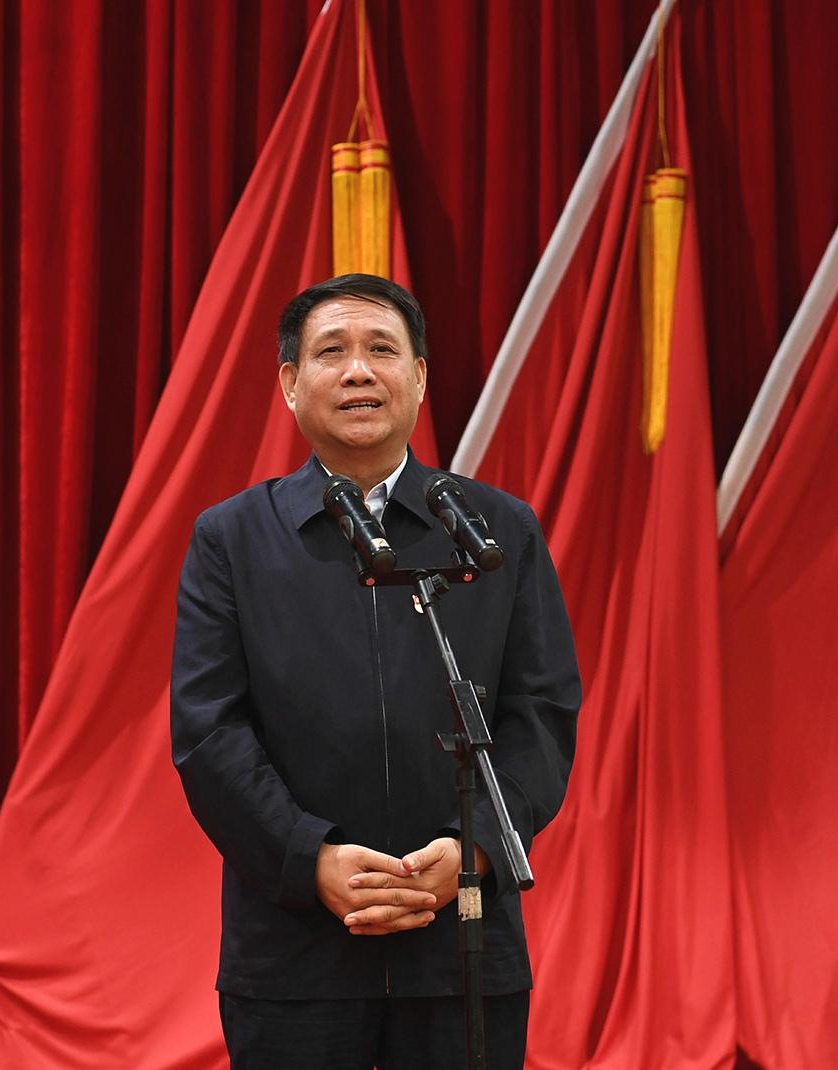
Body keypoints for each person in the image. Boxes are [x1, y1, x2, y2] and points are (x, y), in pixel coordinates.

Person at [171, 274, 581, 1069]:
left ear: (419, 378)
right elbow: (209, 732)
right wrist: (310, 859)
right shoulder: (233, 538)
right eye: (331, 352)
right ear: (291, 384)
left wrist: (476, 850)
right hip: (295, 951)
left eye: (382, 350)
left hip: (459, 942)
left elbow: (541, 712)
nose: (358, 370)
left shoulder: (494, 530)